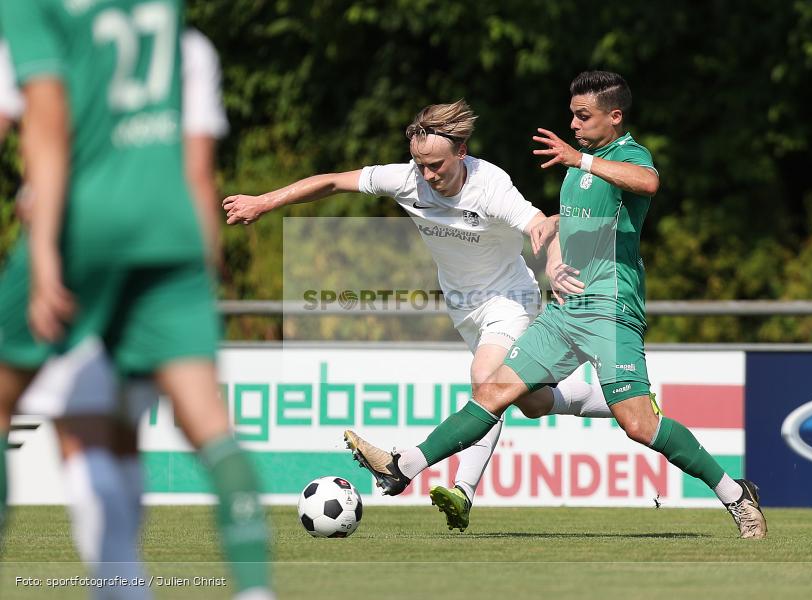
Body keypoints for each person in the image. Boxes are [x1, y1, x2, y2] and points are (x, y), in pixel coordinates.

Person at [345, 71, 767, 540]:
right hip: (566, 310)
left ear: (615, 116)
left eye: (582, 116)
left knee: (640, 424)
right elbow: (572, 221)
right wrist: (556, 256)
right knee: (495, 392)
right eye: (571, 115)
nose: (573, 124)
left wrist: (582, 160)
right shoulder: (577, 169)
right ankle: (403, 467)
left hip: (610, 309)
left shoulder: (626, 156)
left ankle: (735, 494)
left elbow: (647, 184)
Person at [224, 99, 622, 531]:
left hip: (510, 300)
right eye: (420, 164)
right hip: (463, 308)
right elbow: (333, 182)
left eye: (437, 165)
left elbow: (542, 225)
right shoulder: (407, 178)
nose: (428, 175)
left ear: (462, 152)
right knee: (530, 401)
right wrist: (264, 202)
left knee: (485, 381)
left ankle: (459, 490)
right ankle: (624, 402)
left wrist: (556, 264)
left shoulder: (491, 186)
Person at [0, 2, 274, 598]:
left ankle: (123, 586)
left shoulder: (39, 14)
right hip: (170, 233)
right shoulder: (184, 37)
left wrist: (42, 245)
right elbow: (199, 171)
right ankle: (255, 591)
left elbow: (40, 121)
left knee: (51, 415)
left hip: (80, 226)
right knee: (206, 424)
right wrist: (202, 276)